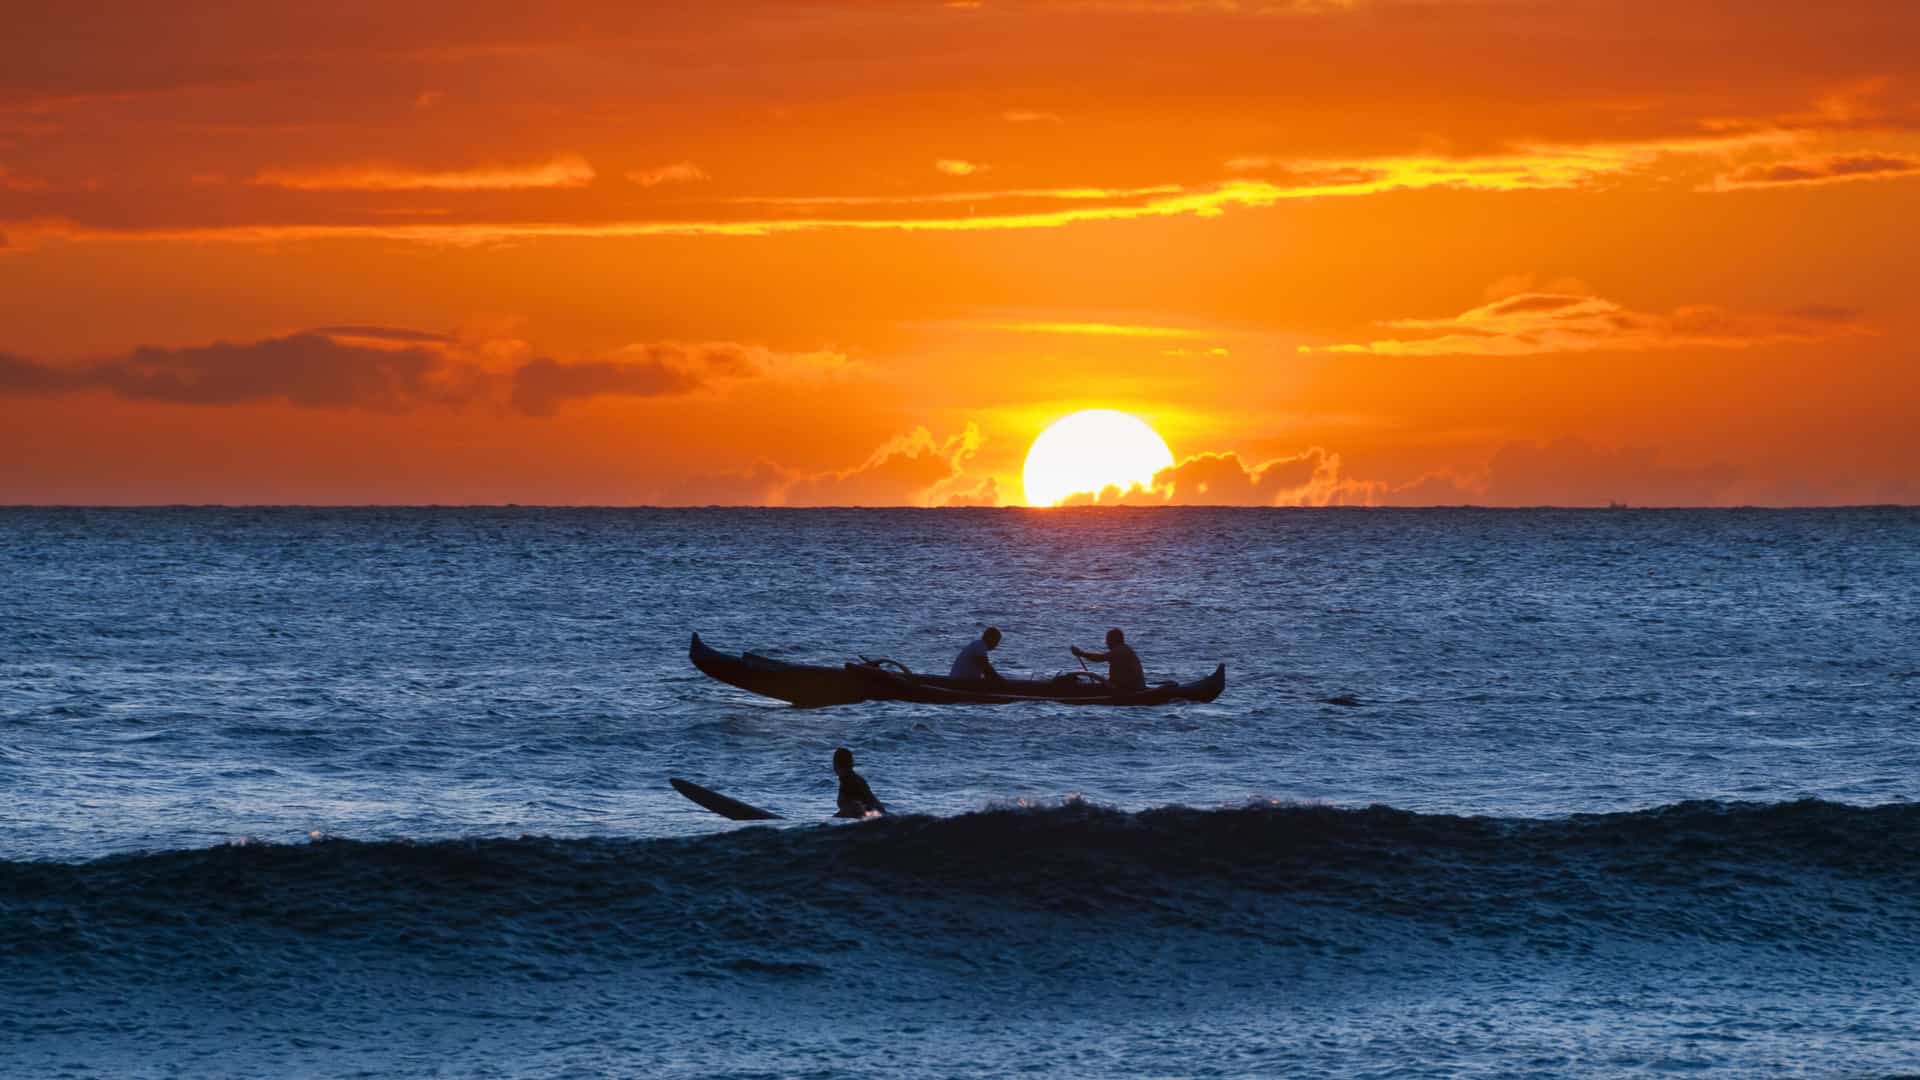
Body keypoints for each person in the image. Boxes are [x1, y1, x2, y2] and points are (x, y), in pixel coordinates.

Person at [1072, 627, 1146, 693]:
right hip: (1125, 686)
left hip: (1128, 688)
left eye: (1108, 640)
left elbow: (1100, 658)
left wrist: (1081, 654)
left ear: (1114, 640)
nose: (1106, 643)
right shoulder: (1123, 649)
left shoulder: (1120, 651)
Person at [833, 746, 885, 818]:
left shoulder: (849, 781)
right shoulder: (853, 779)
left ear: (835, 765)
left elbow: (858, 806)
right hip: (878, 816)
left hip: (874, 818)